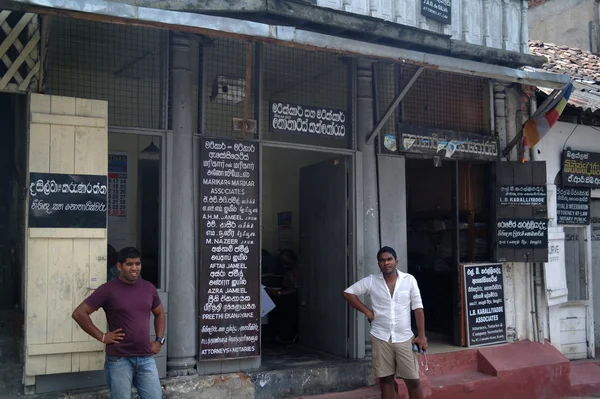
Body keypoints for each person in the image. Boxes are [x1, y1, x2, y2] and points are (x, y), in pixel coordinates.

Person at [72, 247, 165, 399]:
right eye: (129, 264)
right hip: (119, 359)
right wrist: (102, 336)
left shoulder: (149, 288)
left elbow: (160, 313)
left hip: (145, 357)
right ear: (119, 266)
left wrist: (159, 340)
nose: (134, 268)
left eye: (137, 264)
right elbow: (79, 313)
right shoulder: (108, 290)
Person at [343, 246, 426, 399]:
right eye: (382, 260)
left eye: (389, 259)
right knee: (386, 381)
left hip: (404, 337)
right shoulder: (371, 281)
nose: (386, 263)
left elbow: (418, 308)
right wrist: (367, 312)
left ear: (396, 261)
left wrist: (421, 336)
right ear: (378, 264)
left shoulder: (409, 280)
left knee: (413, 381)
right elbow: (348, 293)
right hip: (381, 337)